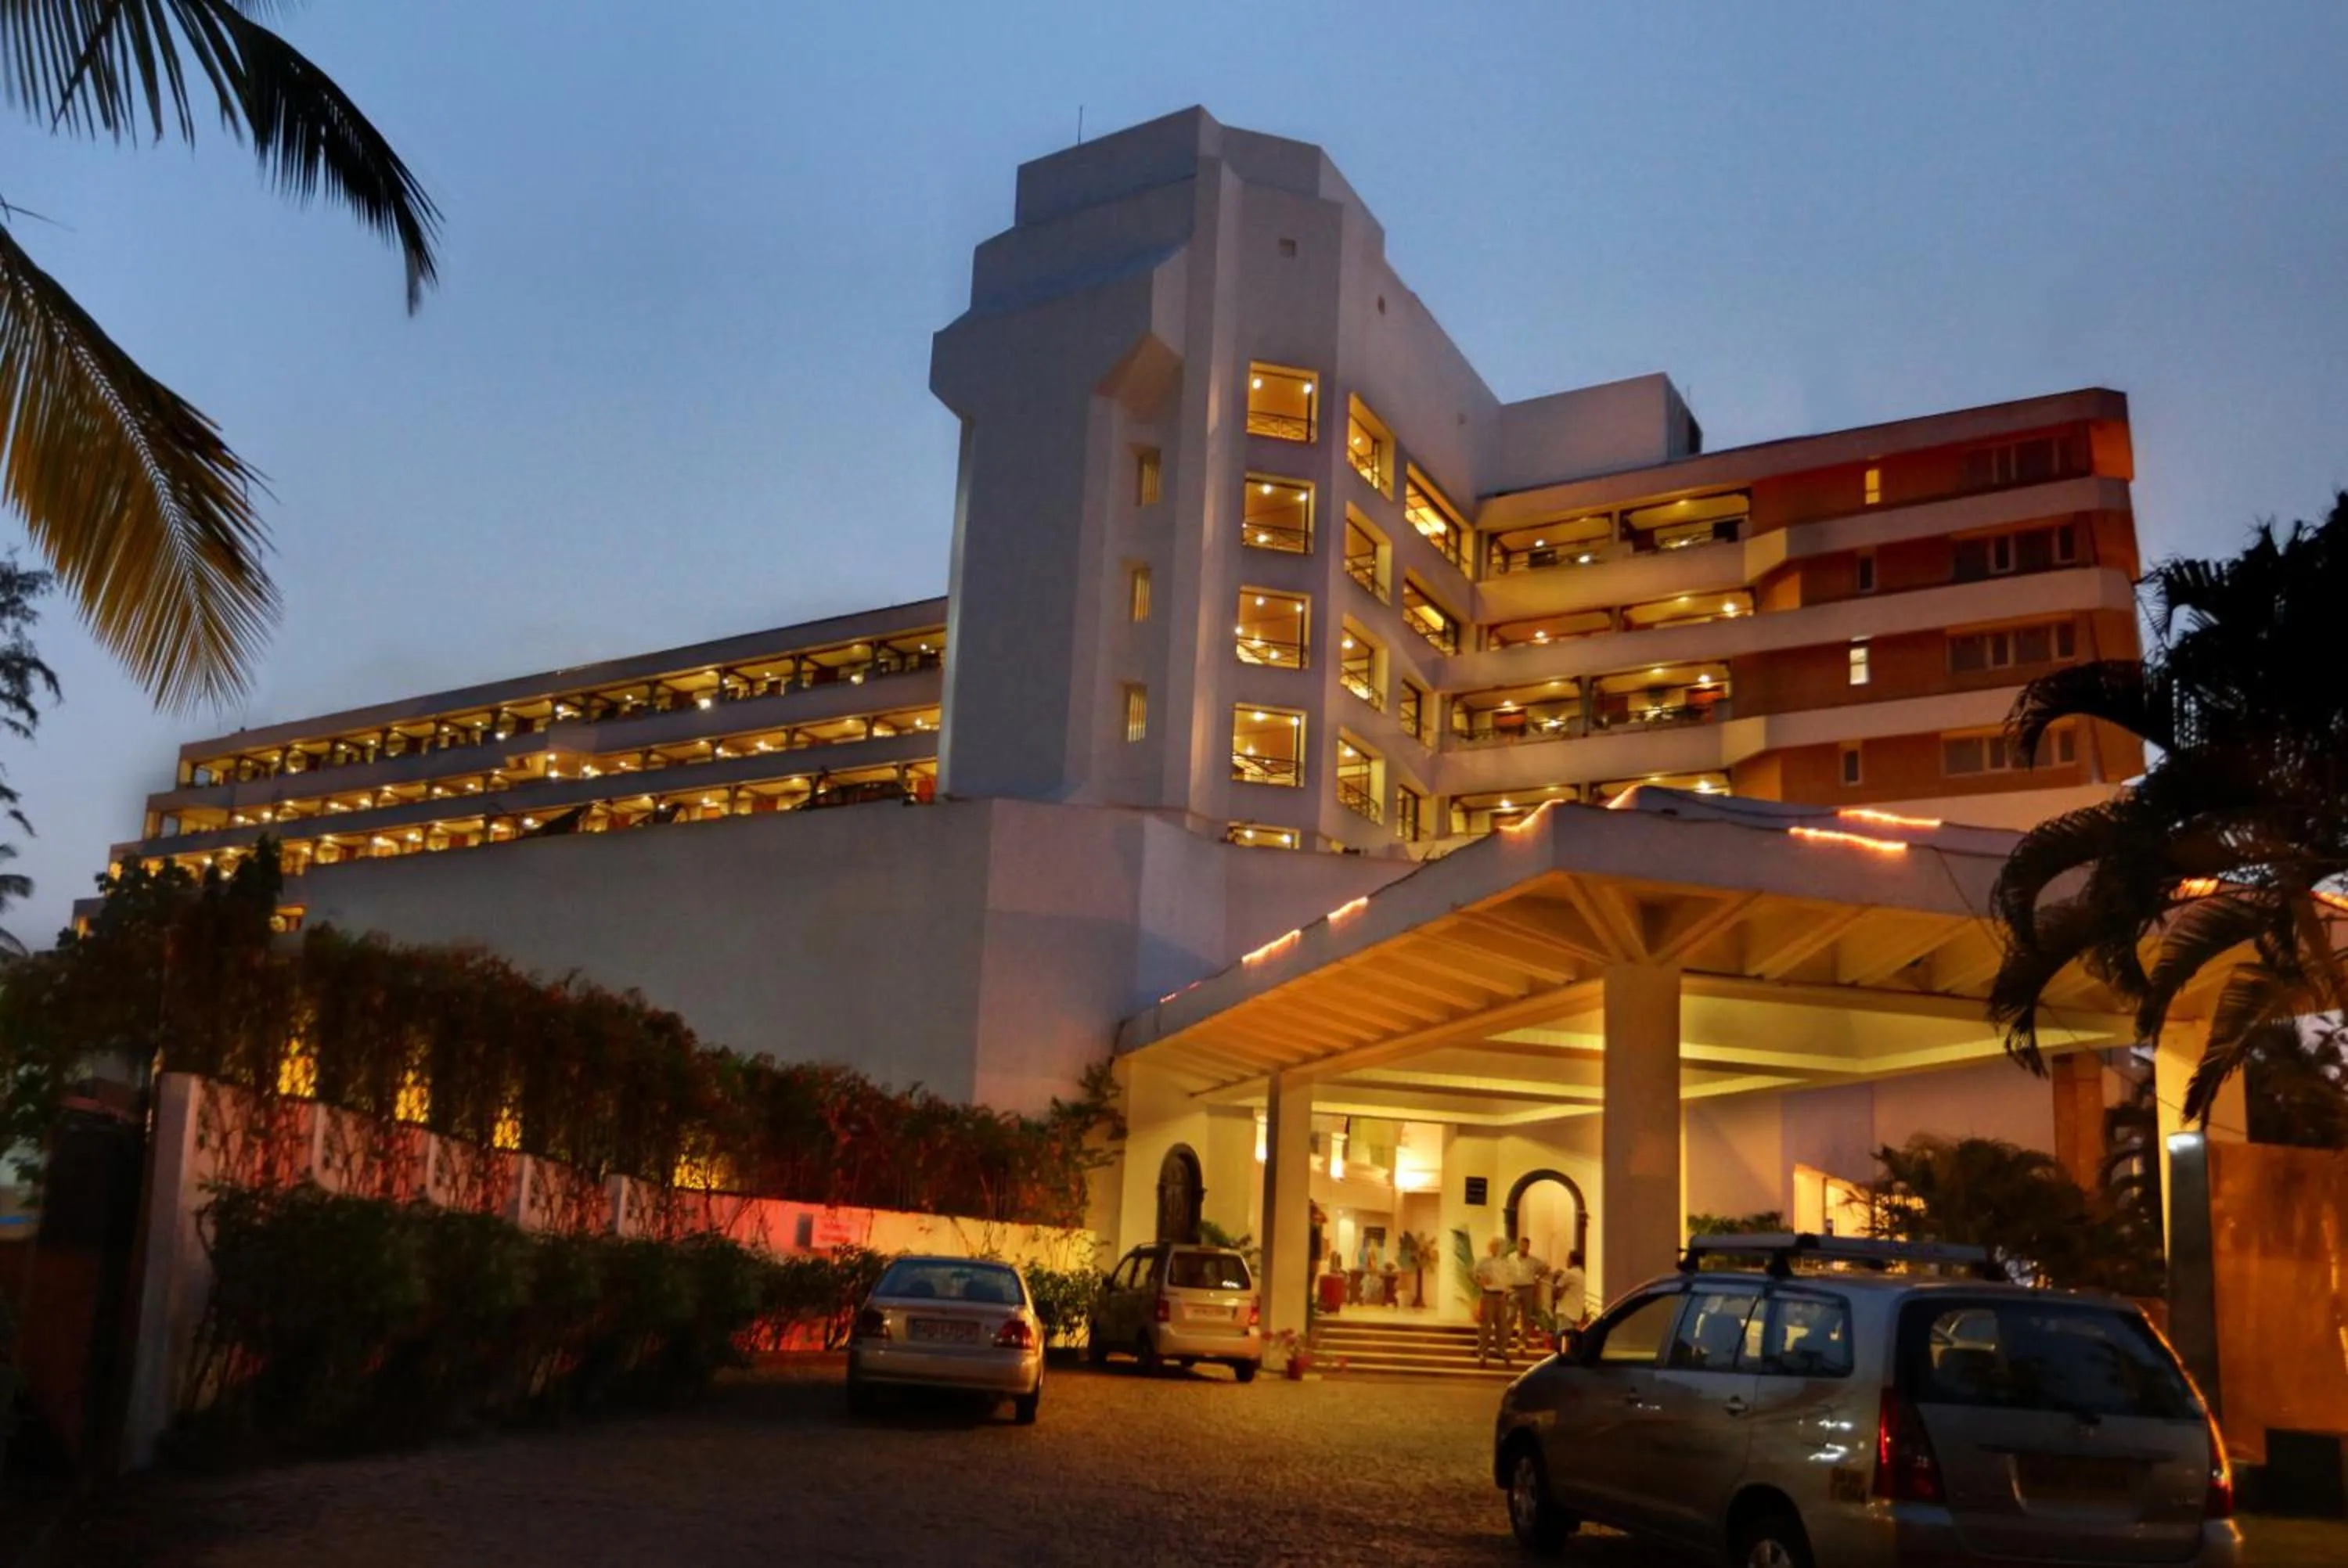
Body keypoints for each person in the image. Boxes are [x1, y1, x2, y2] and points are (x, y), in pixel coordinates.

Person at [1474, 1237, 1512, 1365]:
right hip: (1489, 1294)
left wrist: (1506, 1292)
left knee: (1502, 1325)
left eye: (1497, 1246)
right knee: (1486, 1325)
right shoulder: (1483, 1261)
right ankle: (1483, 1352)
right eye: (1493, 1246)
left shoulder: (1505, 1262)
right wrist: (1480, 1280)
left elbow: (1508, 1278)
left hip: (1501, 1296)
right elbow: (1473, 1273)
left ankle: (1501, 1350)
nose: (1495, 1248)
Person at [1507, 1235, 1546, 1353]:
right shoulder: (1511, 1257)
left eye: (1527, 1246)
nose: (1524, 1248)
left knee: (1526, 1317)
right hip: (1513, 1288)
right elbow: (1505, 1271)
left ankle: (1522, 1341)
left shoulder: (1533, 1260)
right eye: (1522, 1246)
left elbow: (1546, 1267)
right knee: (1511, 1315)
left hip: (1528, 1288)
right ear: (1518, 1246)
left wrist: (1539, 1276)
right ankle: (1506, 1339)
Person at [1555, 1249, 1589, 1331]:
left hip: (1566, 1312)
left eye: (1568, 1259)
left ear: (1571, 1260)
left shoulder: (1569, 1274)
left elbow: (1557, 1291)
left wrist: (1556, 1276)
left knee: (1564, 1339)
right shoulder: (1582, 1274)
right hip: (1577, 1313)